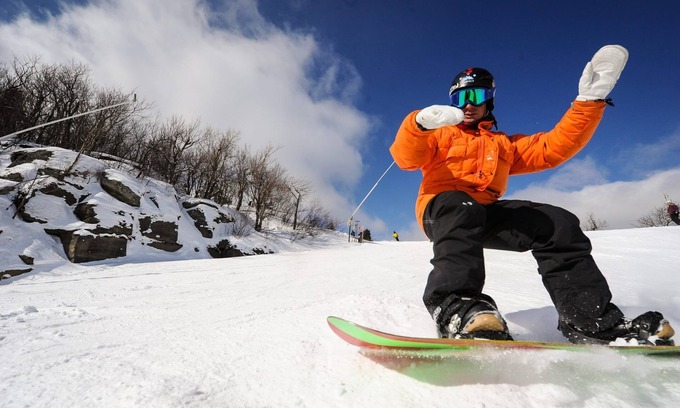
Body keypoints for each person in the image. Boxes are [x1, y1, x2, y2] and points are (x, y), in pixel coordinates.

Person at [389, 45, 675, 346]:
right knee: (462, 206)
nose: (468, 104)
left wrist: (589, 102)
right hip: (441, 210)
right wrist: (418, 124)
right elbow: (406, 158)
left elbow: (552, 147)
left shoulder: (504, 145)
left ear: (490, 100)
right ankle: (458, 309)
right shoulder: (438, 134)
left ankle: (590, 320)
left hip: (484, 213)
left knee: (557, 223)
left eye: (476, 95)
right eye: (460, 98)